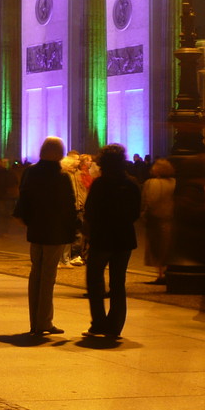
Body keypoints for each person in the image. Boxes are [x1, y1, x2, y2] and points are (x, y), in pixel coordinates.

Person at [13, 137, 76, 336]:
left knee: (36, 275)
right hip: (55, 231)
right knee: (48, 277)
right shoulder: (62, 176)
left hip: (36, 229)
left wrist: (26, 220)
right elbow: (68, 206)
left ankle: (35, 321)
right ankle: (44, 322)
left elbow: (23, 198)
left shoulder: (30, 171)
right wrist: (73, 230)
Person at [83, 143, 141, 339]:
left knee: (94, 280)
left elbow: (90, 211)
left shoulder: (100, 184)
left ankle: (98, 322)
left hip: (102, 238)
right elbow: (135, 212)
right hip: (124, 238)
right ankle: (115, 325)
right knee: (118, 282)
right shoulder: (132, 183)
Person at [140, 158, 175, 285]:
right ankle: (168, 272)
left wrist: (144, 214)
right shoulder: (174, 183)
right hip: (170, 219)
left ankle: (160, 274)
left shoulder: (150, 183)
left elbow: (147, 201)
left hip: (155, 220)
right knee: (168, 247)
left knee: (156, 248)